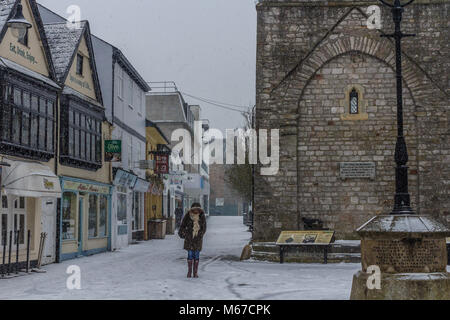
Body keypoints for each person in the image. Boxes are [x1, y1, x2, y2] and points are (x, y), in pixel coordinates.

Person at [178, 203, 207, 278]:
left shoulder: (202, 216)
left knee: (196, 255)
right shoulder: (188, 215)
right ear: (192, 209)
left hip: (198, 239)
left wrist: (200, 235)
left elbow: (204, 228)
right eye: (195, 209)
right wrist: (184, 234)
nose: (196, 210)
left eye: (197, 209)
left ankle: (195, 272)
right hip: (189, 239)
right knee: (190, 254)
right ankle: (189, 271)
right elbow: (182, 226)